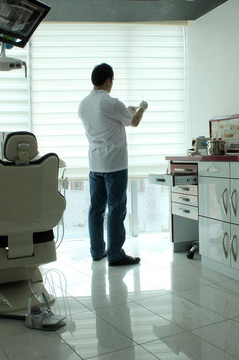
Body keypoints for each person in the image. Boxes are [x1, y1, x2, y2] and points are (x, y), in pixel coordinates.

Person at [78, 63, 148, 266]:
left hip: (95, 163)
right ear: (108, 80)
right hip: (115, 164)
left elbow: (108, 120)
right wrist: (141, 108)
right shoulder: (109, 102)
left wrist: (125, 111)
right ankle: (115, 254)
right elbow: (133, 121)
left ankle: (97, 251)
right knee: (116, 209)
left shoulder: (84, 104)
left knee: (96, 209)